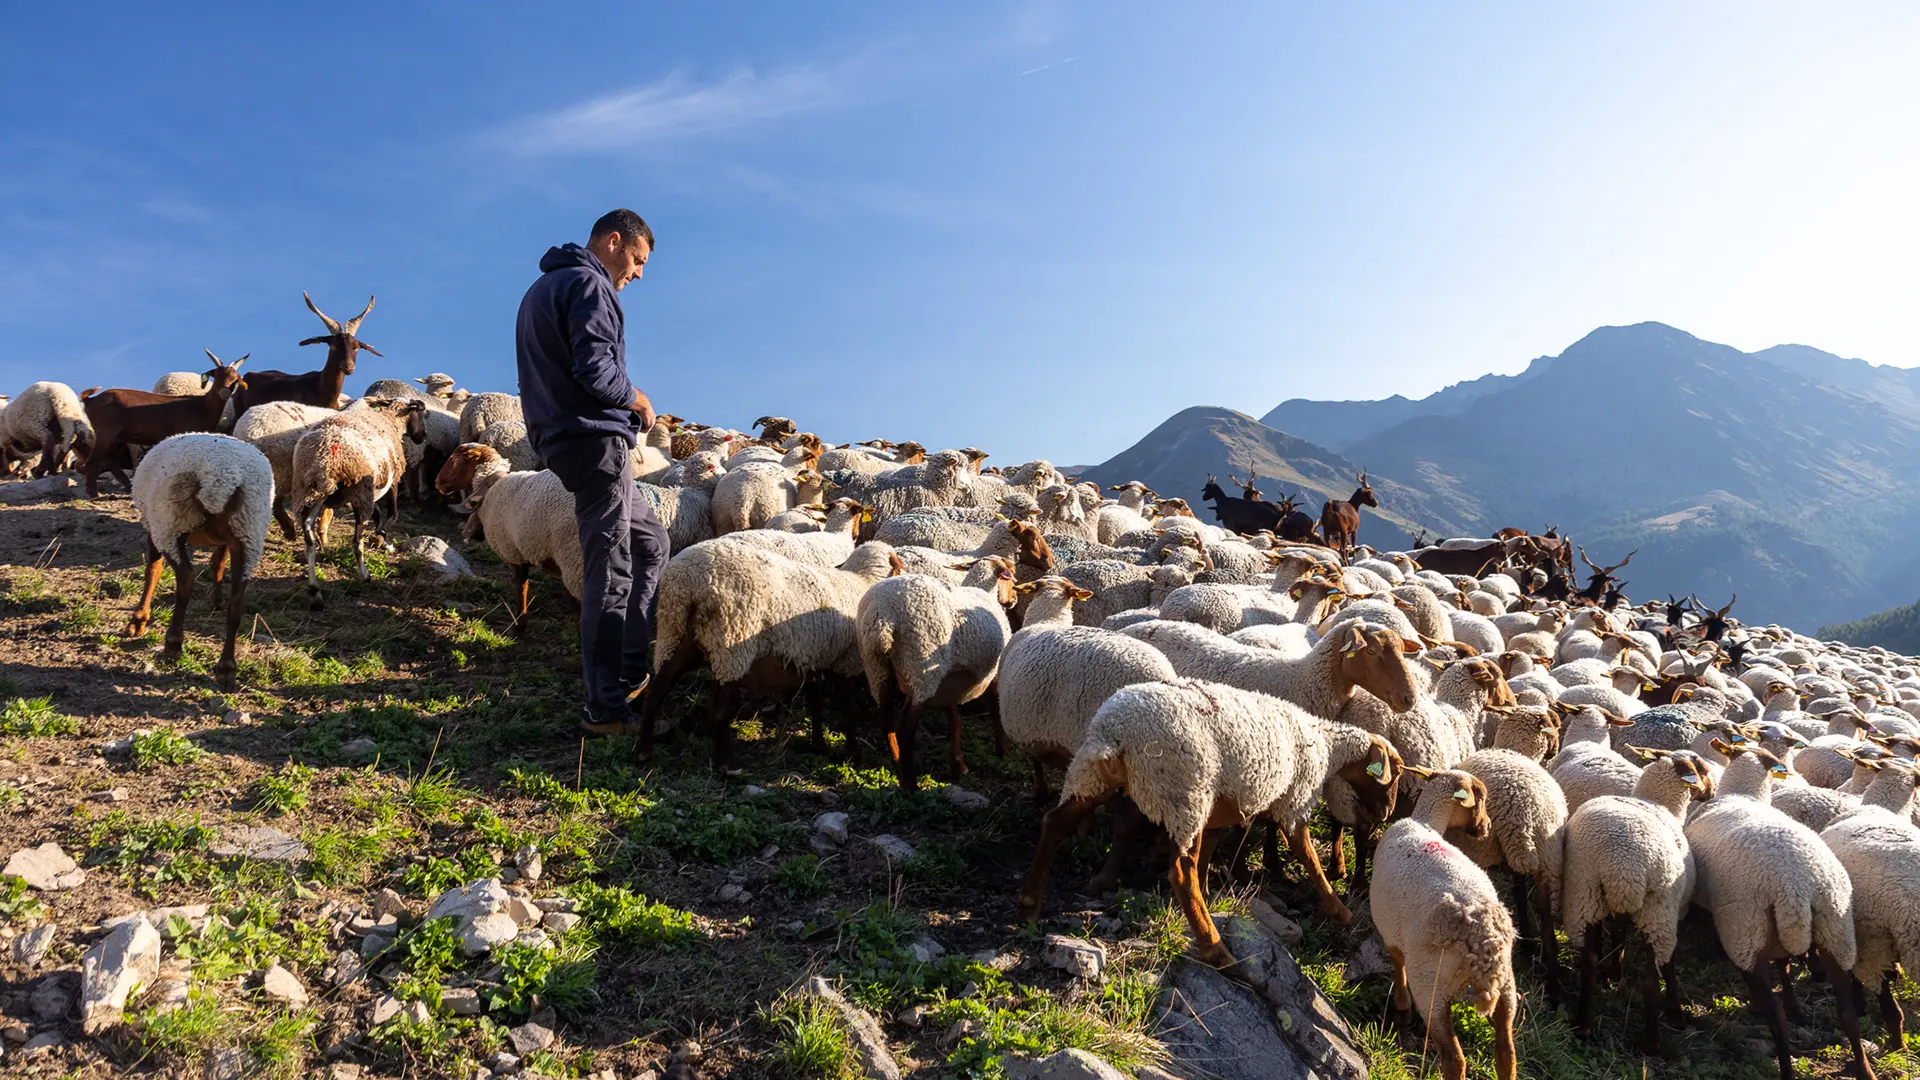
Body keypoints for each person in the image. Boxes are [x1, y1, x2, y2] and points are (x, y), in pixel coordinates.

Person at [515, 208, 670, 736]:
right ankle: (604, 707)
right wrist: (636, 398)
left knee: (651, 541)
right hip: (594, 440)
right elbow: (595, 368)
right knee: (612, 569)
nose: (639, 273)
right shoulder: (590, 284)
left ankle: (629, 671)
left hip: (566, 439)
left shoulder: (544, 288)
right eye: (638, 258)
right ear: (612, 241)